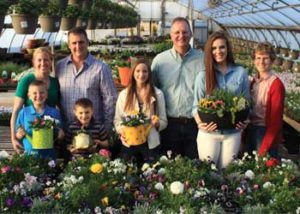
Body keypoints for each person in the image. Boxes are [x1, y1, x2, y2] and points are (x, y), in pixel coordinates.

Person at [192, 31, 250, 169]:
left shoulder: (240, 72)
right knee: (208, 172)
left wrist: (245, 122)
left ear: (228, 49)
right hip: (209, 134)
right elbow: (195, 106)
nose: (218, 51)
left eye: (222, 47)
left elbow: (247, 103)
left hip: (233, 134)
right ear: (209, 51)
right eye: (214, 48)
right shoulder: (203, 76)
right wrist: (200, 124)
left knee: (228, 172)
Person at [151, 17, 204, 159]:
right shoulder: (159, 61)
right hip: (169, 124)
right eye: (177, 32)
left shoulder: (202, 59)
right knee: (169, 166)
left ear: (191, 34)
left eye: (185, 32)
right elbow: (151, 92)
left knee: (195, 165)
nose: (181, 36)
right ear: (171, 35)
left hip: (195, 124)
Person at [56, 27, 117, 131]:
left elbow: (110, 99)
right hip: (67, 130)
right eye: (74, 43)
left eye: (81, 42)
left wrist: (106, 127)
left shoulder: (100, 68)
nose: (78, 46)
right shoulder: (60, 66)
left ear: (87, 42)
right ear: (69, 45)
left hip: (93, 131)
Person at [114, 59, 167, 163]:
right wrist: (121, 132)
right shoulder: (124, 95)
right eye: (138, 71)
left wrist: (157, 123)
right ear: (133, 73)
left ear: (149, 74)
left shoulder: (158, 94)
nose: (141, 74)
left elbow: (164, 121)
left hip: (151, 144)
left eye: (145, 71)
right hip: (129, 142)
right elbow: (117, 119)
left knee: (151, 175)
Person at [10, 47, 60, 154]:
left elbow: (60, 108)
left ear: (51, 61)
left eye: (46, 60)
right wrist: (14, 138)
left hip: (49, 137)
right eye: (39, 60)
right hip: (30, 136)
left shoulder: (55, 82)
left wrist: (61, 130)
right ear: (33, 62)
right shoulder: (26, 81)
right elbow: (16, 111)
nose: (43, 63)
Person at [247, 42, 285, 157]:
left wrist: (264, 148)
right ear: (254, 60)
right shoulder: (254, 81)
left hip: (265, 132)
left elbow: (275, 121)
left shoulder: (275, 84)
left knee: (263, 167)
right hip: (251, 129)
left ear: (272, 60)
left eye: (265, 58)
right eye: (258, 58)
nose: (261, 62)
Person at [15, 80, 64, 159]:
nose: (38, 95)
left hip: (49, 157)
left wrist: (60, 134)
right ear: (29, 95)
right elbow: (17, 134)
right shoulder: (24, 112)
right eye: (34, 93)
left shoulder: (54, 112)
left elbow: (59, 133)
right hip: (29, 156)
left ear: (47, 94)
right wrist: (19, 134)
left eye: (42, 92)